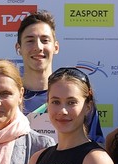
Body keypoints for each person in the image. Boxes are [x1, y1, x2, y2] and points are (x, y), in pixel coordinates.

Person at [15, 11, 104, 144]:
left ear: (55, 47)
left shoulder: (77, 95)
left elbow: (96, 145)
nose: (38, 47)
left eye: (45, 40)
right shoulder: (8, 96)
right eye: (30, 41)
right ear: (18, 48)